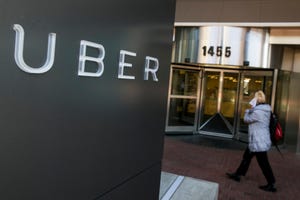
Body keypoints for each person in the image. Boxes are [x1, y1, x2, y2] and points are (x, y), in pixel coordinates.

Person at [226, 90, 277, 192]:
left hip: (258, 141)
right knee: (246, 158)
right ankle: (238, 174)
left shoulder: (258, 112)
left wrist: (248, 110)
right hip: (258, 140)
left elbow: (246, 120)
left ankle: (271, 183)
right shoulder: (266, 110)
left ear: (256, 99)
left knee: (263, 163)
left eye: (254, 98)